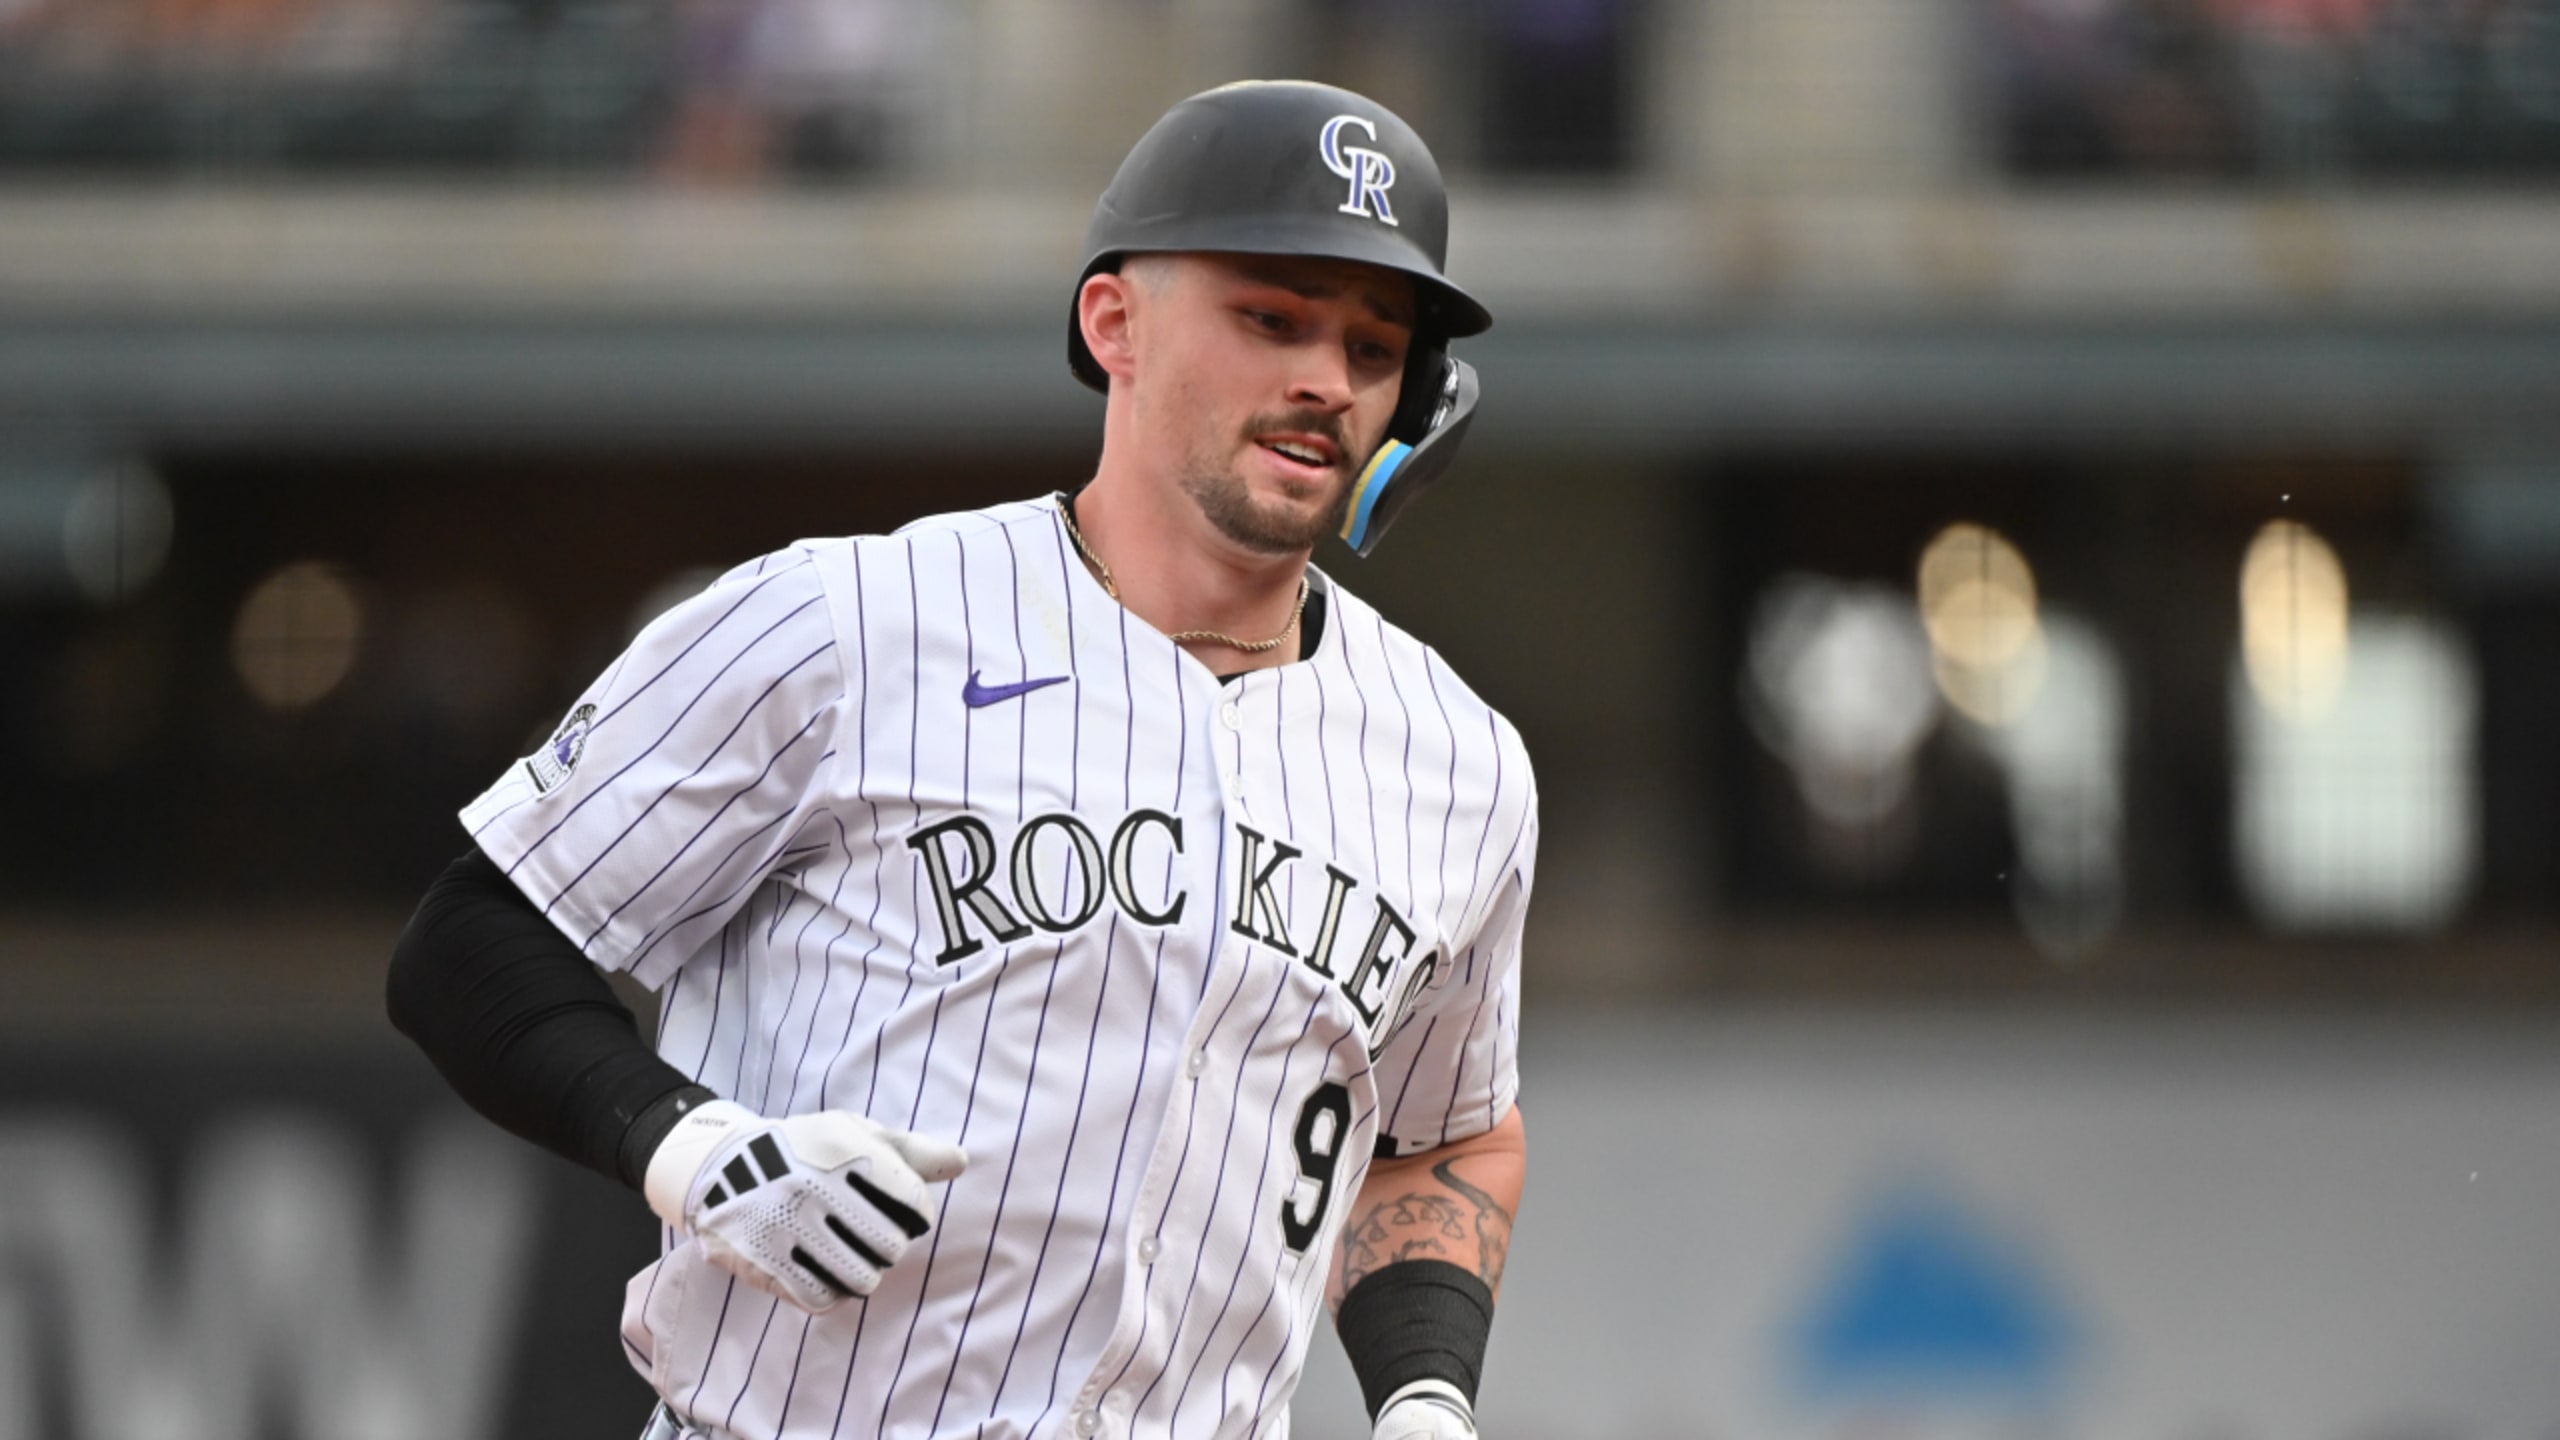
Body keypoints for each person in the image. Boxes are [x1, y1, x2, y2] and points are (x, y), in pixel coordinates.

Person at [387, 78, 1536, 1440]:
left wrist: (1424, 1394)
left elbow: (1446, 1133)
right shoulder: (844, 623)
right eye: (1272, 319)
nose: (1326, 382)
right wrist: (695, 1148)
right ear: (1114, 322)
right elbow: (470, 942)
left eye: (1373, 345)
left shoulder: (1459, 762)